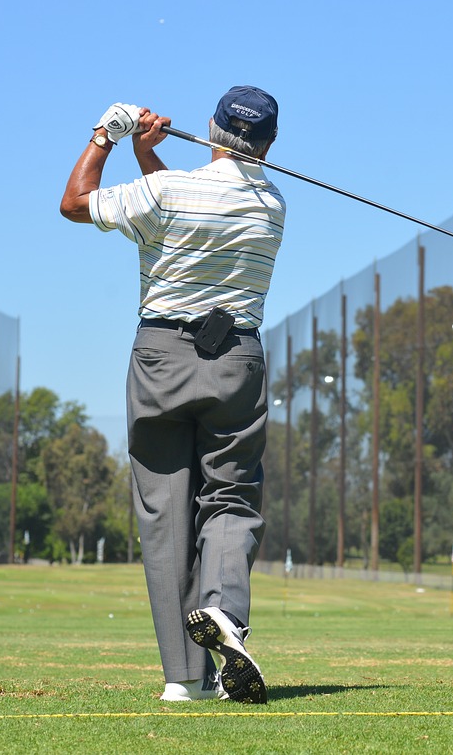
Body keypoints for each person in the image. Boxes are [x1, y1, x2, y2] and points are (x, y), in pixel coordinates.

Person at [59, 86, 285, 704]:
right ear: (268, 145)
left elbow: (75, 203)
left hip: (161, 357)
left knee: (165, 511)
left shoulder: (167, 192)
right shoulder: (271, 203)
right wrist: (148, 155)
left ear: (212, 130)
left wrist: (108, 135)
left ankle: (185, 678)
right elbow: (187, 212)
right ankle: (223, 612)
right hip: (236, 359)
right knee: (231, 498)